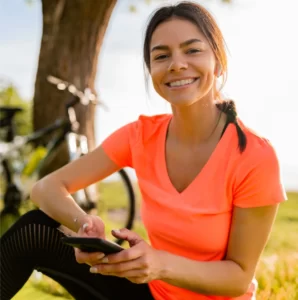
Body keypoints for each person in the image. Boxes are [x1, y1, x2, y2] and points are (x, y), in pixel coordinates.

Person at [0, 1, 287, 300]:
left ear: (219, 62)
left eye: (192, 50)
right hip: (151, 292)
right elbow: (46, 188)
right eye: (162, 55)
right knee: (33, 230)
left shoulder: (255, 157)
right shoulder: (141, 136)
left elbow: (239, 278)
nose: (177, 64)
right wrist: (86, 227)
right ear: (152, 70)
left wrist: (161, 265)